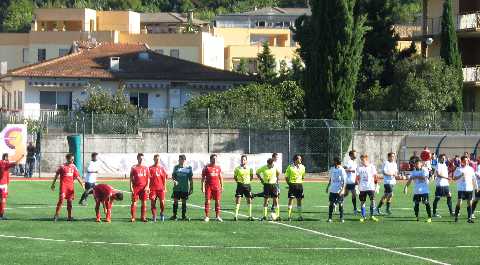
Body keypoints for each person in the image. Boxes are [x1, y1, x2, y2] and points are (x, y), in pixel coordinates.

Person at [51, 153, 84, 222]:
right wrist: (53, 184)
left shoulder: (73, 167)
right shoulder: (62, 166)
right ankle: (56, 215)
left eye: (73, 159)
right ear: (68, 159)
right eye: (72, 159)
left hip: (70, 188)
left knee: (70, 202)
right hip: (63, 186)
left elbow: (77, 176)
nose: (73, 160)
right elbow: (56, 175)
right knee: (61, 200)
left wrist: (82, 184)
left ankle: (69, 217)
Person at [452, 156, 478, 223]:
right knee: (459, 202)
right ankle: (456, 217)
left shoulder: (471, 169)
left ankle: (469, 218)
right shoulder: (458, 169)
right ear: (462, 161)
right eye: (465, 160)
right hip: (461, 189)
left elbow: (474, 179)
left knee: (469, 203)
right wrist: (460, 175)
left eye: (467, 160)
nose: (466, 161)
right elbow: (454, 178)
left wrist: (476, 187)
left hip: (469, 188)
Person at [0, 153, 24, 220]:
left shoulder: (0, 162)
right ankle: (1, 215)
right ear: (5, 158)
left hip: (2, 183)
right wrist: (21, 157)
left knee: (1, 200)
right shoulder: (5, 164)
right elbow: (16, 163)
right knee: (3, 200)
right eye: (7, 157)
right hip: (3, 185)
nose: (8, 159)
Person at [356, 154, 379, 222]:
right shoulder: (359, 167)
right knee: (362, 202)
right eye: (361, 160)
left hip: (370, 187)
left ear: (366, 159)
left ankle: (372, 216)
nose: (362, 161)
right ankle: (363, 216)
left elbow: (375, 176)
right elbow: (357, 177)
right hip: (362, 187)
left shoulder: (372, 167)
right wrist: (357, 186)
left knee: (372, 201)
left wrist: (376, 185)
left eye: (363, 159)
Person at [170, 154, 193, 221]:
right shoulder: (176, 167)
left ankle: (183, 216)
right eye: (179, 159)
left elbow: (190, 179)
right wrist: (174, 180)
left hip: (184, 188)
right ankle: (174, 216)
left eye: (181, 159)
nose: (180, 161)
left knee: (184, 202)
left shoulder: (188, 168)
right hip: (177, 188)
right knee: (175, 201)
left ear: (184, 160)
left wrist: (191, 188)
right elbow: (173, 176)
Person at [201, 154, 224, 222]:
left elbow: (221, 177)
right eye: (213, 159)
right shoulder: (206, 168)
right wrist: (202, 187)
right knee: (207, 201)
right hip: (208, 187)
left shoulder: (218, 167)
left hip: (217, 187)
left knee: (217, 201)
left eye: (216, 159)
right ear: (210, 159)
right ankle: (207, 216)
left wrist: (222, 186)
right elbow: (203, 178)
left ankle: (217, 216)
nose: (214, 160)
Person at [130, 153, 150, 222]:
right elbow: (131, 178)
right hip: (136, 187)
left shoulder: (146, 167)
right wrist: (131, 187)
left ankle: (143, 217)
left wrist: (147, 186)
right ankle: (133, 217)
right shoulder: (133, 167)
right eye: (140, 158)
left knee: (144, 202)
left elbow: (148, 178)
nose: (141, 159)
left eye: (142, 158)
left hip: (144, 188)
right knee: (134, 202)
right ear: (137, 158)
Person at [233, 155, 254, 221]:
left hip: (247, 185)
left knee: (249, 200)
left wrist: (247, 182)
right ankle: (235, 216)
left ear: (246, 161)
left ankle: (250, 216)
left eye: (244, 159)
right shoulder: (237, 168)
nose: (243, 161)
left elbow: (251, 176)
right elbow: (235, 177)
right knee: (238, 200)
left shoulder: (250, 168)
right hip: (240, 185)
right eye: (242, 159)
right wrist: (239, 182)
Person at [285, 154, 306, 221]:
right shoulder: (290, 167)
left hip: (299, 185)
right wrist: (289, 184)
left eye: (300, 158)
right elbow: (286, 177)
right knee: (291, 200)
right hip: (292, 185)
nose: (301, 160)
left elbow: (303, 176)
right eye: (299, 159)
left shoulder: (303, 167)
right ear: (295, 160)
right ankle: (289, 216)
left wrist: (299, 182)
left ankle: (300, 216)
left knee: (299, 200)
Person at [326, 157, 347, 223]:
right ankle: (330, 218)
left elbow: (344, 181)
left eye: (334, 161)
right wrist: (327, 187)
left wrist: (343, 189)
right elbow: (330, 179)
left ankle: (341, 218)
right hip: (332, 190)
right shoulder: (332, 169)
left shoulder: (342, 170)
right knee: (331, 204)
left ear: (336, 162)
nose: (333, 162)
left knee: (340, 204)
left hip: (339, 190)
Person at [149, 154, 168, 222]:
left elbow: (164, 179)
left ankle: (162, 213)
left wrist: (165, 187)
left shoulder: (162, 168)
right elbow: (148, 179)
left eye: (158, 159)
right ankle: (154, 216)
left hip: (161, 189)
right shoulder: (150, 168)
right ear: (153, 159)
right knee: (153, 203)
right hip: (153, 189)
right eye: (156, 159)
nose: (157, 160)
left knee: (162, 203)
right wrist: (148, 188)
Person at [343, 150, 358, 215]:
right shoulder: (349, 162)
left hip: (353, 181)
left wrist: (357, 179)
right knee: (354, 194)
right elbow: (344, 169)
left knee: (346, 194)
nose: (356, 155)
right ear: (351, 155)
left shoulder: (355, 162)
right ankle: (355, 209)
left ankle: (336, 201)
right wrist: (351, 170)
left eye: (356, 154)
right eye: (354, 154)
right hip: (349, 181)